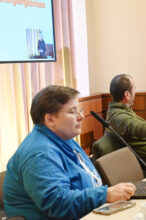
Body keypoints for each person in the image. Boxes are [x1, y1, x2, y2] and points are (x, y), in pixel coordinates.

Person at [4, 85, 136, 220]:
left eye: (79, 110)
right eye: (73, 112)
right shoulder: (40, 154)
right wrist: (105, 195)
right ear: (50, 119)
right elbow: (57, 204)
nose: (81, 116)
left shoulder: (63, 138)